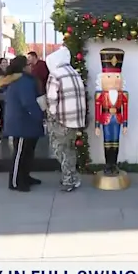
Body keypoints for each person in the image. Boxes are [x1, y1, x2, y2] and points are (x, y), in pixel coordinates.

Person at [0, 56, 44, 192]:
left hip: (25, 121)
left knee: (27, 152)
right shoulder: (23, 82)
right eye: (29, 64)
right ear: (23, 67)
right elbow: (28, 102)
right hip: (23, 122)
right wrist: (40, 115)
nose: (31, 66)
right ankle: (15, 181)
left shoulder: (22, 80)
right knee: (20, 153)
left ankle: (25, 176)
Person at [45, 46, 86, 192]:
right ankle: (72, 177)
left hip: (62, 120)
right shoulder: (74, 73)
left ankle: (70, 179)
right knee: (69, 149)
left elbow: (51, 99)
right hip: (76, 119)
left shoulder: (55, 75)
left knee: (59, 149)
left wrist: (51, 116)